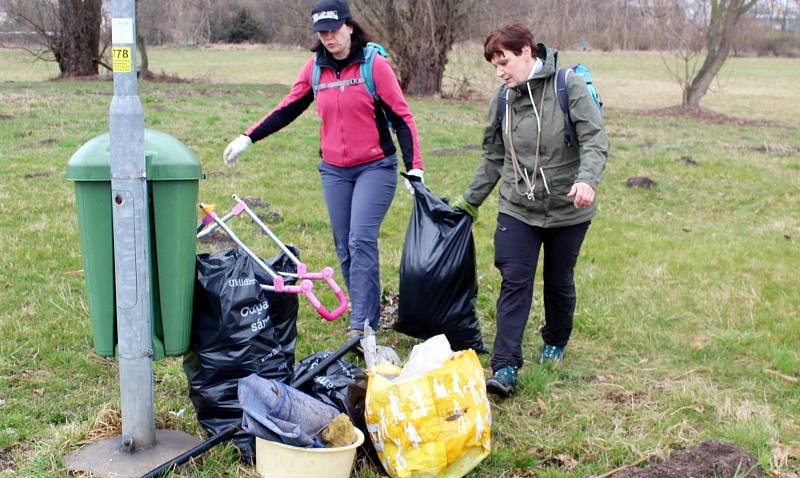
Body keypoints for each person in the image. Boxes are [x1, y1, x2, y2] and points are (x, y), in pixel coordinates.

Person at [222, 0, 424, 336]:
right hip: (334, 170)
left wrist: (414, 167)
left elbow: (402, 117)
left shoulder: (373, 65)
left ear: (349, 26)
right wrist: (248, 137)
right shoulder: (316, 68)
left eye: (333, 30)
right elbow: (289, 107)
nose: (329, 38)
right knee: (344, 244)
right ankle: (364, 313)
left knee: (361, 240)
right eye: (322, 32)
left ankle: (363, 324)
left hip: (375, 166)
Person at [453, 22, 609, 397]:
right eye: (494, 64)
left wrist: (587, 179)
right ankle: (505, 366)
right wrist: (468, 202)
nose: (499, 71)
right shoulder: (503, 98)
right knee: (514, 280)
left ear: (527, 51)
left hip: (568, 206)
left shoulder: (567, 85)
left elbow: (594, 139)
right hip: (517, 206)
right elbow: (493, 156)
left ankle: (555, 339)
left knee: (558, 280)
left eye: (504, 61)